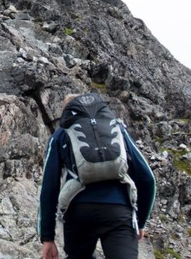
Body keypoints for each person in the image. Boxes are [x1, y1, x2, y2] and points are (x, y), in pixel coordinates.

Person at [38, 93, 156, 259]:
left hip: (79, 212)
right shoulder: (117, 128)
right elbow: (147, 179)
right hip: (119, 212)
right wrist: (140, 222)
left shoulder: (60, 134)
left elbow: (49, 188)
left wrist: (47, 237)